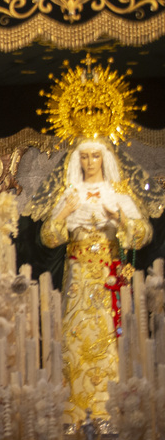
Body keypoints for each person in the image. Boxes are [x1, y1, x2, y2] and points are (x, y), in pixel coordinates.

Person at [37, 140, 152, 422]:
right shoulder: (70, 194)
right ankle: (73, 410)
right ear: (78, 160)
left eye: (95, 156)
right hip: (77, 280)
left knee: (111, 338)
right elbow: (49, 237)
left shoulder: (117, 195)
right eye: (85, 157)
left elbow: (141, 236)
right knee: (74, 337)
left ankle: (111, 409)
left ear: (105, 159)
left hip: (108, 277)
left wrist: (120, 218)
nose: (90, 162)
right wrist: (64, 214)